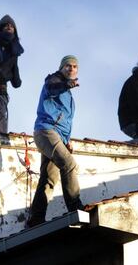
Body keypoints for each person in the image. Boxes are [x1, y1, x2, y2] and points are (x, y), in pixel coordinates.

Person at [27, 55, 84, 228]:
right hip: (46, 131)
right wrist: (66, 84)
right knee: (69, 165)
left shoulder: (68, 95)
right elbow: (53, 88)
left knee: (49, 177)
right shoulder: (54, 80)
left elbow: (65, 120)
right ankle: (75, 207)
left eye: (74, 66)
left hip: (56, 135)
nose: (71, 69)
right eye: (67, 66)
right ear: (61, 67)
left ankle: (35, 218)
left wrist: (66, 141)